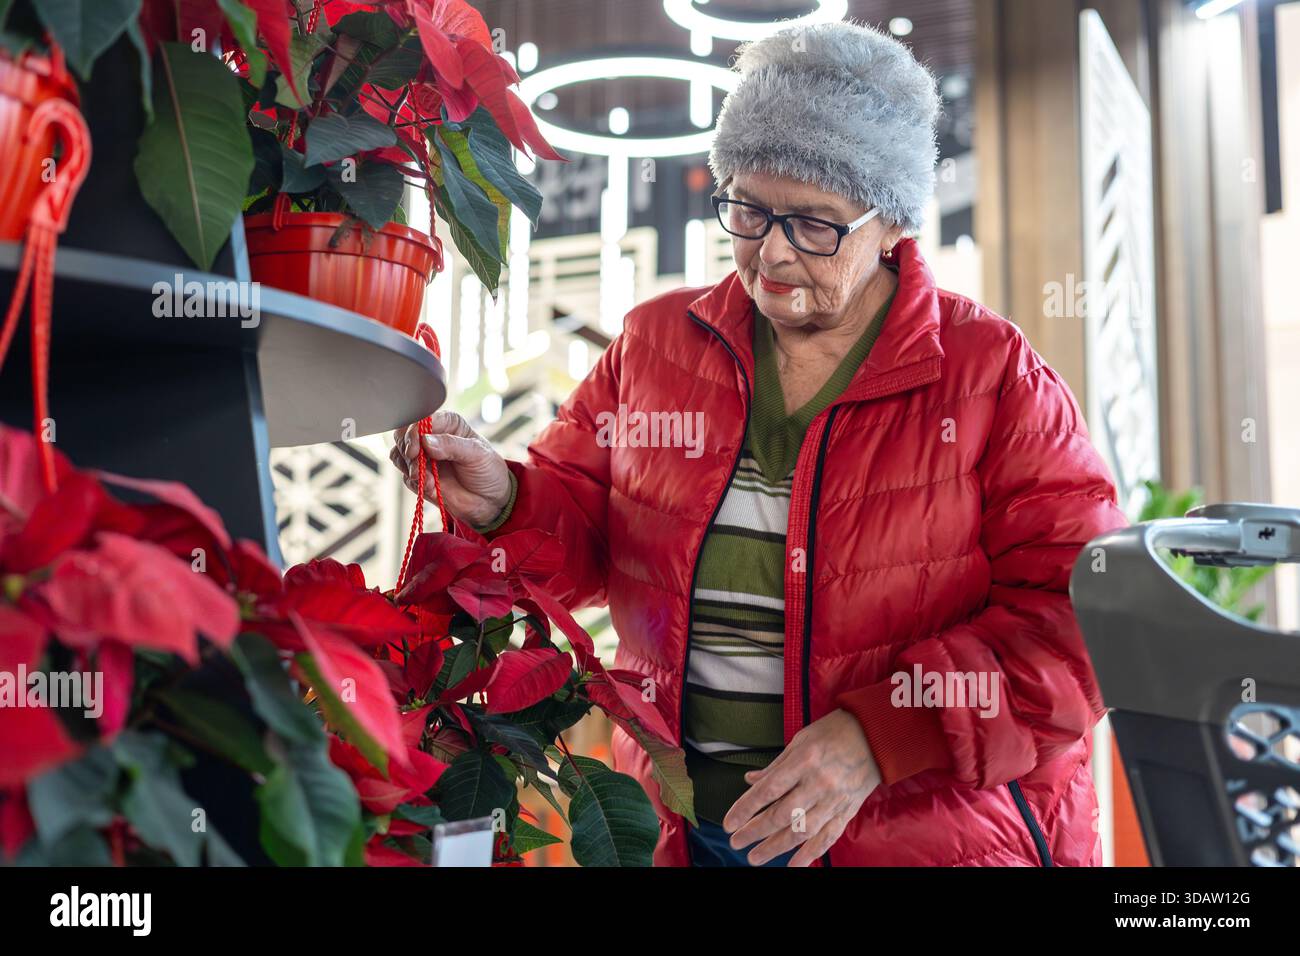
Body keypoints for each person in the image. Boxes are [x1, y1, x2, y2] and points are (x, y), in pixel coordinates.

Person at [392, 20, 1128, 867]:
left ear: (890, 224)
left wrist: (880, 734)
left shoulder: (990, 374)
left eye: (814, 224)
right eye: (747, 208)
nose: (771, 252)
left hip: (927, 841)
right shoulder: (657, 344)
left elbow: (1082, 629)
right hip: (697, 833)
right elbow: (588, 540)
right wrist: (505, 499)